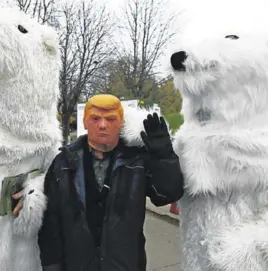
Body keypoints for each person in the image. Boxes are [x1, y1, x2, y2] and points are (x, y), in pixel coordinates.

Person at [38, 94, 184, 271]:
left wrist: (164, 157)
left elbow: (168, 194)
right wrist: (52, 267)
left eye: (111, 119)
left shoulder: (136, 161)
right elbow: (50, 222)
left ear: (120, 123)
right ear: (85, 122)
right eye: (95, 118)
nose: (102, 125)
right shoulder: (63, 163)